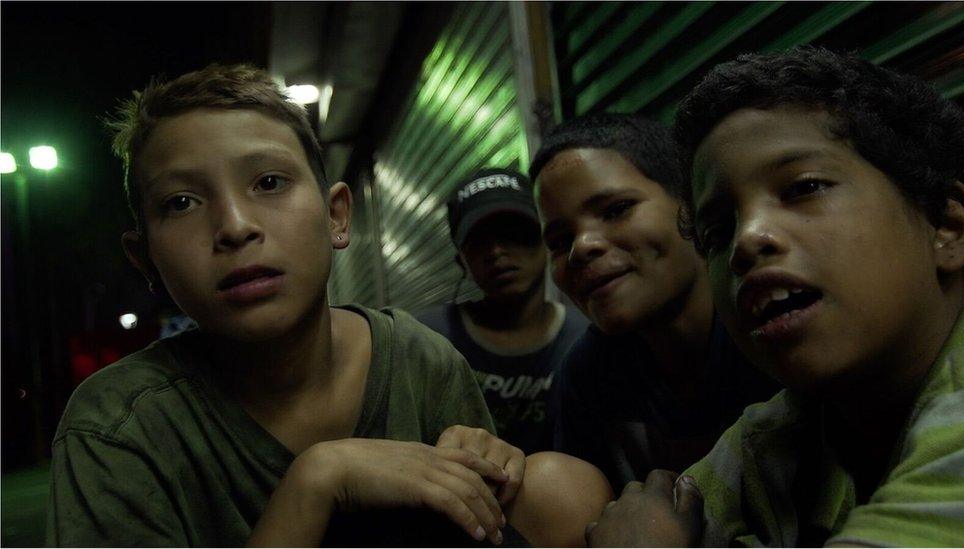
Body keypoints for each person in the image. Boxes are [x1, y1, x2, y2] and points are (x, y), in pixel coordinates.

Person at [45, 64, 611, 547]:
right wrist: (318, 479)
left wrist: (492, 470)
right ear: (145, 259)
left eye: (268, 182)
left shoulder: (421, 361)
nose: (235, 227)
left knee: (560, 486)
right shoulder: (118, 427)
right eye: (182, 201)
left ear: (337, 215)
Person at [585, 47, 964, 547]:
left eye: (804, 187)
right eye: (718, 231)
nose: (748, 239)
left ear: (946, 227)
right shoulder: (777, 439)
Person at [529, 113, 778, 494]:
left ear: (691, 206)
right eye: (560, 240)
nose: (582, 247)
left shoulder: (771, 327)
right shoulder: (587, 376)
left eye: (615, 210)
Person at [415, 168, 588, 455]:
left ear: (546, 240)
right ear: (462, 261)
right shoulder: (427, 341)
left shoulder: (586, 340)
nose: (496, 251)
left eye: (513, 234)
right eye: (479, 241)